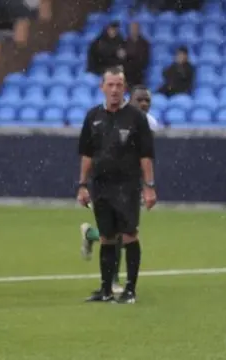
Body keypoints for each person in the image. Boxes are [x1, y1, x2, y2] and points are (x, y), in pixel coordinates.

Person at [77, 67, 156, 304]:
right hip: (100, 185)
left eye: (118, 86)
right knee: (106, 238)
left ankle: (130, 290)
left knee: (129, 235)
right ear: (102, 87)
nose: (114, 90)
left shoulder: (136, 118)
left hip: (127, 186)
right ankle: (106, 289)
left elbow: (145, 155)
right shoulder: (93, 117)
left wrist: (149, 186)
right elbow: (87, 154)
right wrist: (82, 184)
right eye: (110, 85)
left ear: (124, 88)